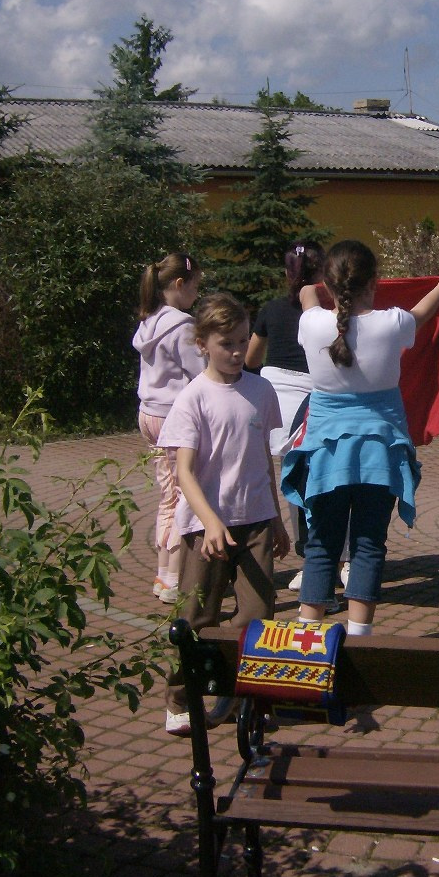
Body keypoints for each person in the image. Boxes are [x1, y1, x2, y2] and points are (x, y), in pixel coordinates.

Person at [283, 239, 439, 636]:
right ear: (374, 282)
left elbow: (308, 294)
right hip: (379, 453)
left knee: (321, 544)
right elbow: (424, 311)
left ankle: (307, 642)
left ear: (329, 283)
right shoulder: (393, 323)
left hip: (325, 453)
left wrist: (321, 287)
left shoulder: (311, 324)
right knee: (367, 544)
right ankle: (359, 639)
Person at [158, 293, 290, 736]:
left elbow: (261, 461)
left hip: (254, 522)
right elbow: (184, 473)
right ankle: (180, 697)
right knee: (198, 617)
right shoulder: (193, 399)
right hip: (206, 527)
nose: (236, 353)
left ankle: (247, 697)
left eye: (241, 342)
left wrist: (275, 518)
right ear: (202, 344)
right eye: (226, 345)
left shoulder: (260, 390)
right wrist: (210, 521)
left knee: (258, 617)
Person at [245, 240, 334, 594]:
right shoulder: (330, 313)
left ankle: (310, 558)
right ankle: (335, 558)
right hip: (318, 397)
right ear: (324, 273)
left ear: (287, 273)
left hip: (278, 401)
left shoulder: (270, 309)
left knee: (296, 480)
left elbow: (251, 359)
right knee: (328, 477)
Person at [132, 252, 204, 605]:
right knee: (183, 496)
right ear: (179, 285)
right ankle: (175, 577)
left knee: (167, 495)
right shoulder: (183, 325)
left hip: (148, 413)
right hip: (172, 418)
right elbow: (201, 372)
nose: (197, 295)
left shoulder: (149, 320)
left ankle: (164, 573)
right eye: (195, 287)